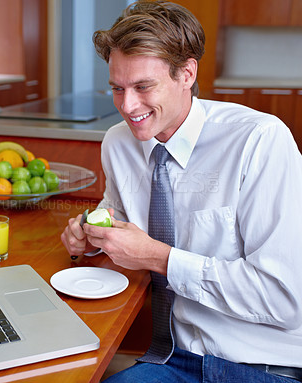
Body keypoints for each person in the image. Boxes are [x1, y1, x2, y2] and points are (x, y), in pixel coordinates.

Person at [60, 1, 302, 382]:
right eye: (117, 88)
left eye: (143, 87)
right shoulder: (118, 143)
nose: (127, 105)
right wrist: (92, 236)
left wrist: (161, 258)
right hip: (173, 357)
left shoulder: (259, 140)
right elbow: (118, 215)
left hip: (263, 362)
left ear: (187, 73)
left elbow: (282, 298)